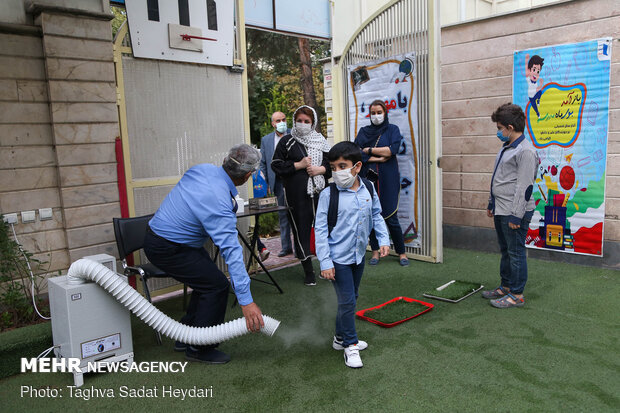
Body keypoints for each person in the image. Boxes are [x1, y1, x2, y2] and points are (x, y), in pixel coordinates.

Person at [144, 144, 265, 363]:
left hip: (165, 238)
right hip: (167, 247)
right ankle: (200, 347)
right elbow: (232, 252)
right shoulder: (218, 200)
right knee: (216, 285)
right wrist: (246, 302)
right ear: (248, 175)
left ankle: (186, 334)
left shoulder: (202, 169)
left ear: (226, 160)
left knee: (207, 280)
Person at [314, 141, 390, 368]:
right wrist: (325, 262)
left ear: (356, 167)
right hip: (337, 259)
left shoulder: (368, 187)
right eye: (333, 167)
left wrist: (384, 240)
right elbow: (320, 229)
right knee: (347, 301)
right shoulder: (328, 194)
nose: (337, 172)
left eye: (342, 166)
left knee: (351, 299)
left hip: (358, 256)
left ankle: (339, 338)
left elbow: (376, 214)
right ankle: (350, 345)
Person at [482, 103, 539, 308]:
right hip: (501, 208)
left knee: (515, 252)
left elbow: (525, 186)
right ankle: (505, 286)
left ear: (510, 128)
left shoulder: (526, 151)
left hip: (515, 212)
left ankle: (517, 295)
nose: (498, 132)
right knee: (506, 250)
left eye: (499, 128)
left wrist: (516, 216)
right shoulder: (507, 147)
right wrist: (492, 202)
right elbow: (501, 178)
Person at [271, 105, 331, 286]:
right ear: (294, 121)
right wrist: (298, 165)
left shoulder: (321, 140)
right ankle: (308, 271)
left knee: (323, 229)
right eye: (300, 121)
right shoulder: (287, 141)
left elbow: (332, 164)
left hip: (320, 193)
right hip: (296, 195)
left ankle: (327, 266)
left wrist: (320, 169)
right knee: (301, 231)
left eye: (307, 121)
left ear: (313, 123)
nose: (303, 124)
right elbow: (276, 165)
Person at [354, 99, 409, 266]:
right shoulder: (364, 131)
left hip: (388, 179)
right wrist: (378, 156)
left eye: (379, 112)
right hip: (368, 179)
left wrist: (368, 150)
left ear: (385, 113)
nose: (376, 116)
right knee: (370, 216)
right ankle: (375, 252)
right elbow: (356, 152)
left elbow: (392, 149)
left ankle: (401, 253)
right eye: (373, 113)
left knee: (391, 217)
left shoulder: (392, 129)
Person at [260, 111, 293, 257]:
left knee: (296, 214)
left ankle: (299, 248)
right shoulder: (266, 140)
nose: (281, 122)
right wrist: (266, 182)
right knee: (282, 215)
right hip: (277, 182)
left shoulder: (295, 135)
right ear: (273, 123)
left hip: (293, 181)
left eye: (283, 119)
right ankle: (286, 247)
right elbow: (263, 163)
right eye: (278, 120)